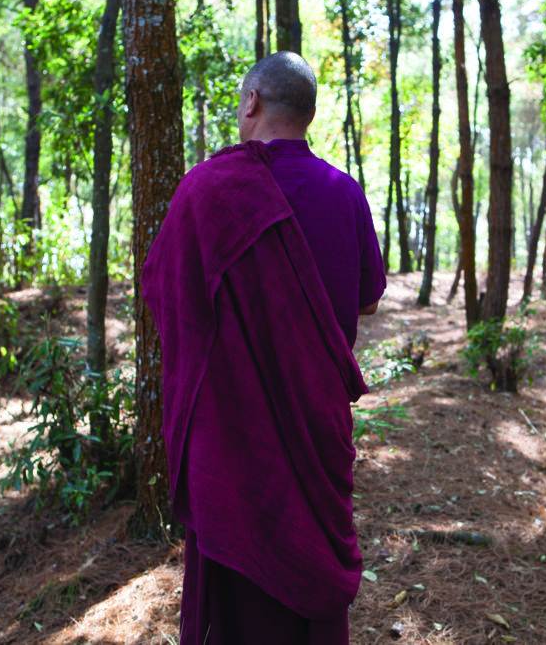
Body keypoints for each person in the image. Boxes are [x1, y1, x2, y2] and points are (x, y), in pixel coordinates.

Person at [140, 51, 386, 644]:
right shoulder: (344, 192)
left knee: (239, 603)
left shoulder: (206, 192)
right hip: (315, 427)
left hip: (233, 439)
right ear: (308, 113)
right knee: (311, 586)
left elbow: (164, 293)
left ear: (252, 102)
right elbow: (369, 300)